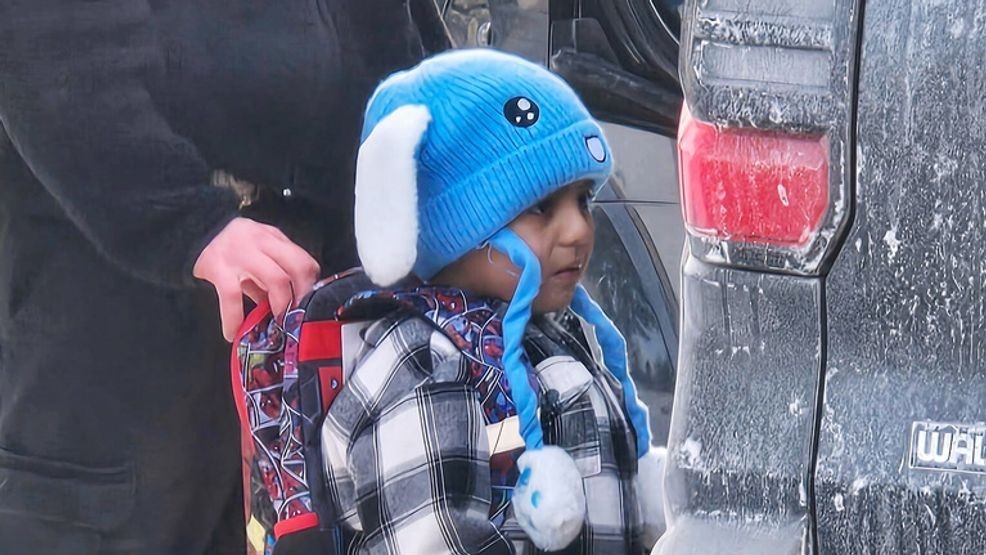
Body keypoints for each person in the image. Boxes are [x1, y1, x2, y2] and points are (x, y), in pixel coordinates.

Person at [0, 2, 447, 554]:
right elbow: (49, 57)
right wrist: (190, 223)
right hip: (116, 334)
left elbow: (407, 61)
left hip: (322, 320)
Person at [318, 49, 667, 554]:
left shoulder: (551, 333)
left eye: (583, 200)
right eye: (540, 207)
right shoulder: (425, 364)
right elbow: (435, 541)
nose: (578, 230)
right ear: (461, 230)